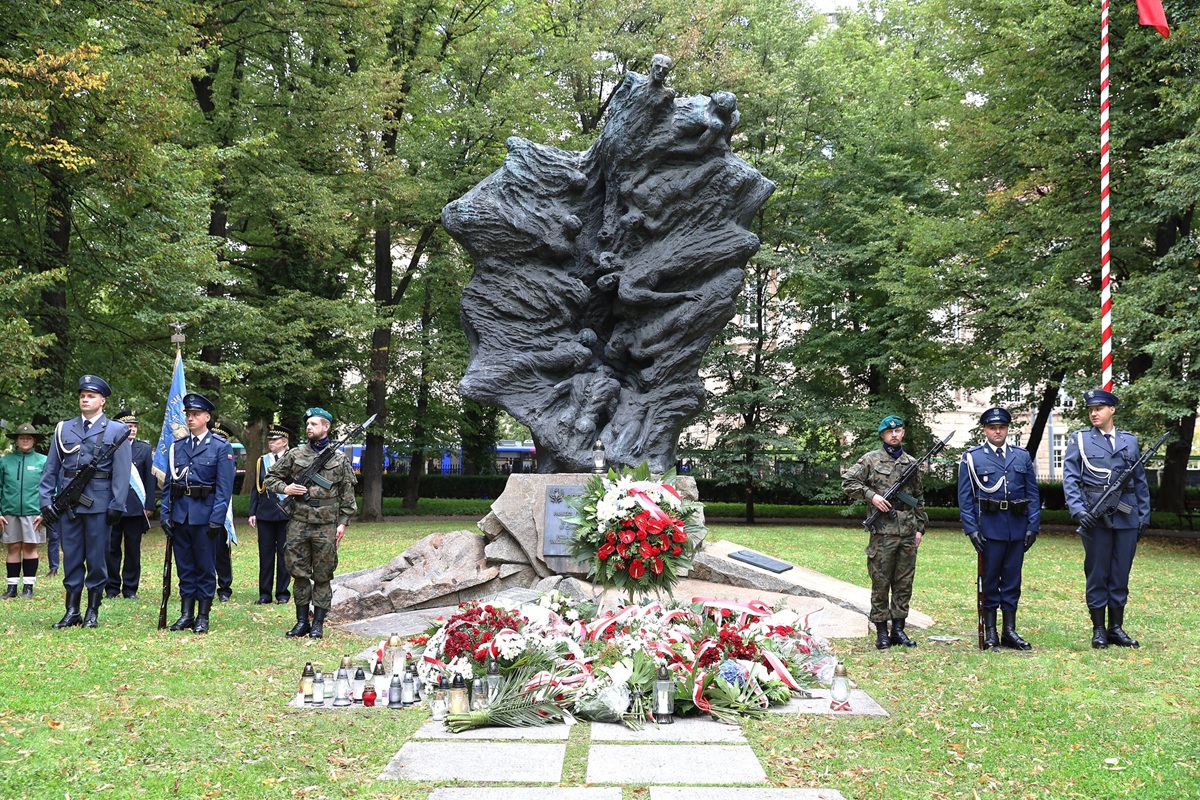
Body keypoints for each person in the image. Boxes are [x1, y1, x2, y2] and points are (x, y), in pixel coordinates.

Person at [38, 375, 132, 628]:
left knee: (97, 558)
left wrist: (117, 504)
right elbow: (51, 468)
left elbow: (122, 473)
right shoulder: (64, 428)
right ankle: (72, 610)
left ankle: (92, 610)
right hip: (69, 504)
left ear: (102, 401)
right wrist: (46, 500)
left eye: (91, 396)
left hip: (100, 504)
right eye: (82, 396)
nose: (85, 399)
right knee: (71, 556)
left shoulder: (116, 430)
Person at [1062, 388, 1151, 649]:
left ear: (1112, 409)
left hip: (1127, 517)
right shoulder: (1080, 440)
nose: (1094, 413)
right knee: (1098, 573)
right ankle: (1099, 629)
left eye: (1099, 408)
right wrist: (1079, 511)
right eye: (1090, 409)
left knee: (1120, 573)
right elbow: (1070, 479)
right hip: (1095, 517)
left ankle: (1116, 628)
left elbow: (1139, 482)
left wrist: (1144, 515)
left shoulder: (1130, 442)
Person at [265, 407, 356, 639]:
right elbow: (270, 478)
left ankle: (318, 624)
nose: (309, 427)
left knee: (323, 574)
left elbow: (347, 492)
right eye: (307, 424)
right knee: (299, 573)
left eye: (314, 424)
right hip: (299, 522)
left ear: (326, 427)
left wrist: (343, 522)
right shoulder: (295, 454)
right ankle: (302, 621)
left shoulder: (339, 458)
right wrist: (286, 488)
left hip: (326, 525)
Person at [842, 414, 928, 650]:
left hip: (908, 532)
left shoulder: (911, 462)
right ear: (882, 435)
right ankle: (881, 631)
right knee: (880, 582)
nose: (894, 434)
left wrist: (920, 528)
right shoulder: (870, 460)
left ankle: (898, 630)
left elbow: (918, 497)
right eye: (889, 431)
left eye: (898, 430)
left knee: (904, 583)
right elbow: (848, 482)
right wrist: (873, 496)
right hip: (882, 533)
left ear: (903, 433)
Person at [958, 407, 1041, 650]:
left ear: (1007, 429)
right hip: (989, 529)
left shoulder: (1021, 456)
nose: (997, 431)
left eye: (1002, 427)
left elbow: (1032, 494)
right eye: (993, 427)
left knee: (1013, 580)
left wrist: (1032, 526)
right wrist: (972, 529)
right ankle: (991, 631)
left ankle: (1010, 631)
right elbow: (965, 498)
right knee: (990, 580)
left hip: (1016, 527)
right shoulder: (973, 457)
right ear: (985, 429)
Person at [160, 393, 235, 634]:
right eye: (188, 415)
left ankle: (203, 616)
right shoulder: (177, 447)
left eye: (195, 415)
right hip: (181, 515)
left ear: (207, 417)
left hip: (205, 516)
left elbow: (224, 489)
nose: (190, 419)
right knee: (185, 567)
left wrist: (217, 518)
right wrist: (165, 514)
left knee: (204, 567)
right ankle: (186, 614)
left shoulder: (220, 447)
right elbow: (169, 485)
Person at [105, 410, 154, 599]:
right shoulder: (110, 447)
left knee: (133, 550)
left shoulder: (144, 449)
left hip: (135, 507)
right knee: (111, 549)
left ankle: (130, 588)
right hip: (113, 506)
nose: (132, 430)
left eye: (134, 426)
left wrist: (149, 504)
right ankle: (111, 587)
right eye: (128, 427)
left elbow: (149, 479)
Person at [2, 424, 48, 599]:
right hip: (9, 511)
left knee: (30, 546)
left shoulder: (42, 461)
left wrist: (45, 512)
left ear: (34, 440)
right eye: (22, 438)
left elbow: (50, 488)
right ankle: (11, 587)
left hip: (34, 512)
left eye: (29, 438)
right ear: (16, 440)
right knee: (13, 546)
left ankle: (28, 587)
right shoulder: (5, 461)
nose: (25, 440)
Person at [249, 423, 292, 604]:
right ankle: (265, 593)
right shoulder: (262, 461)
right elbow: (256, 488)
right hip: (265, 512)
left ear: (284, 442)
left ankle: (282, 593)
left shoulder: (293, 459)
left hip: (286, 513)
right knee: (265, 555)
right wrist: (253, 511)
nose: (271, 443)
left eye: (274, 440)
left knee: (284, 555)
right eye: (270, 440)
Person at [208, 420, 238, 602]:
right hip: (203, 505)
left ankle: (224, 587)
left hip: (220, 506)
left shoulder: (227, 455)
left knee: (221, 549)